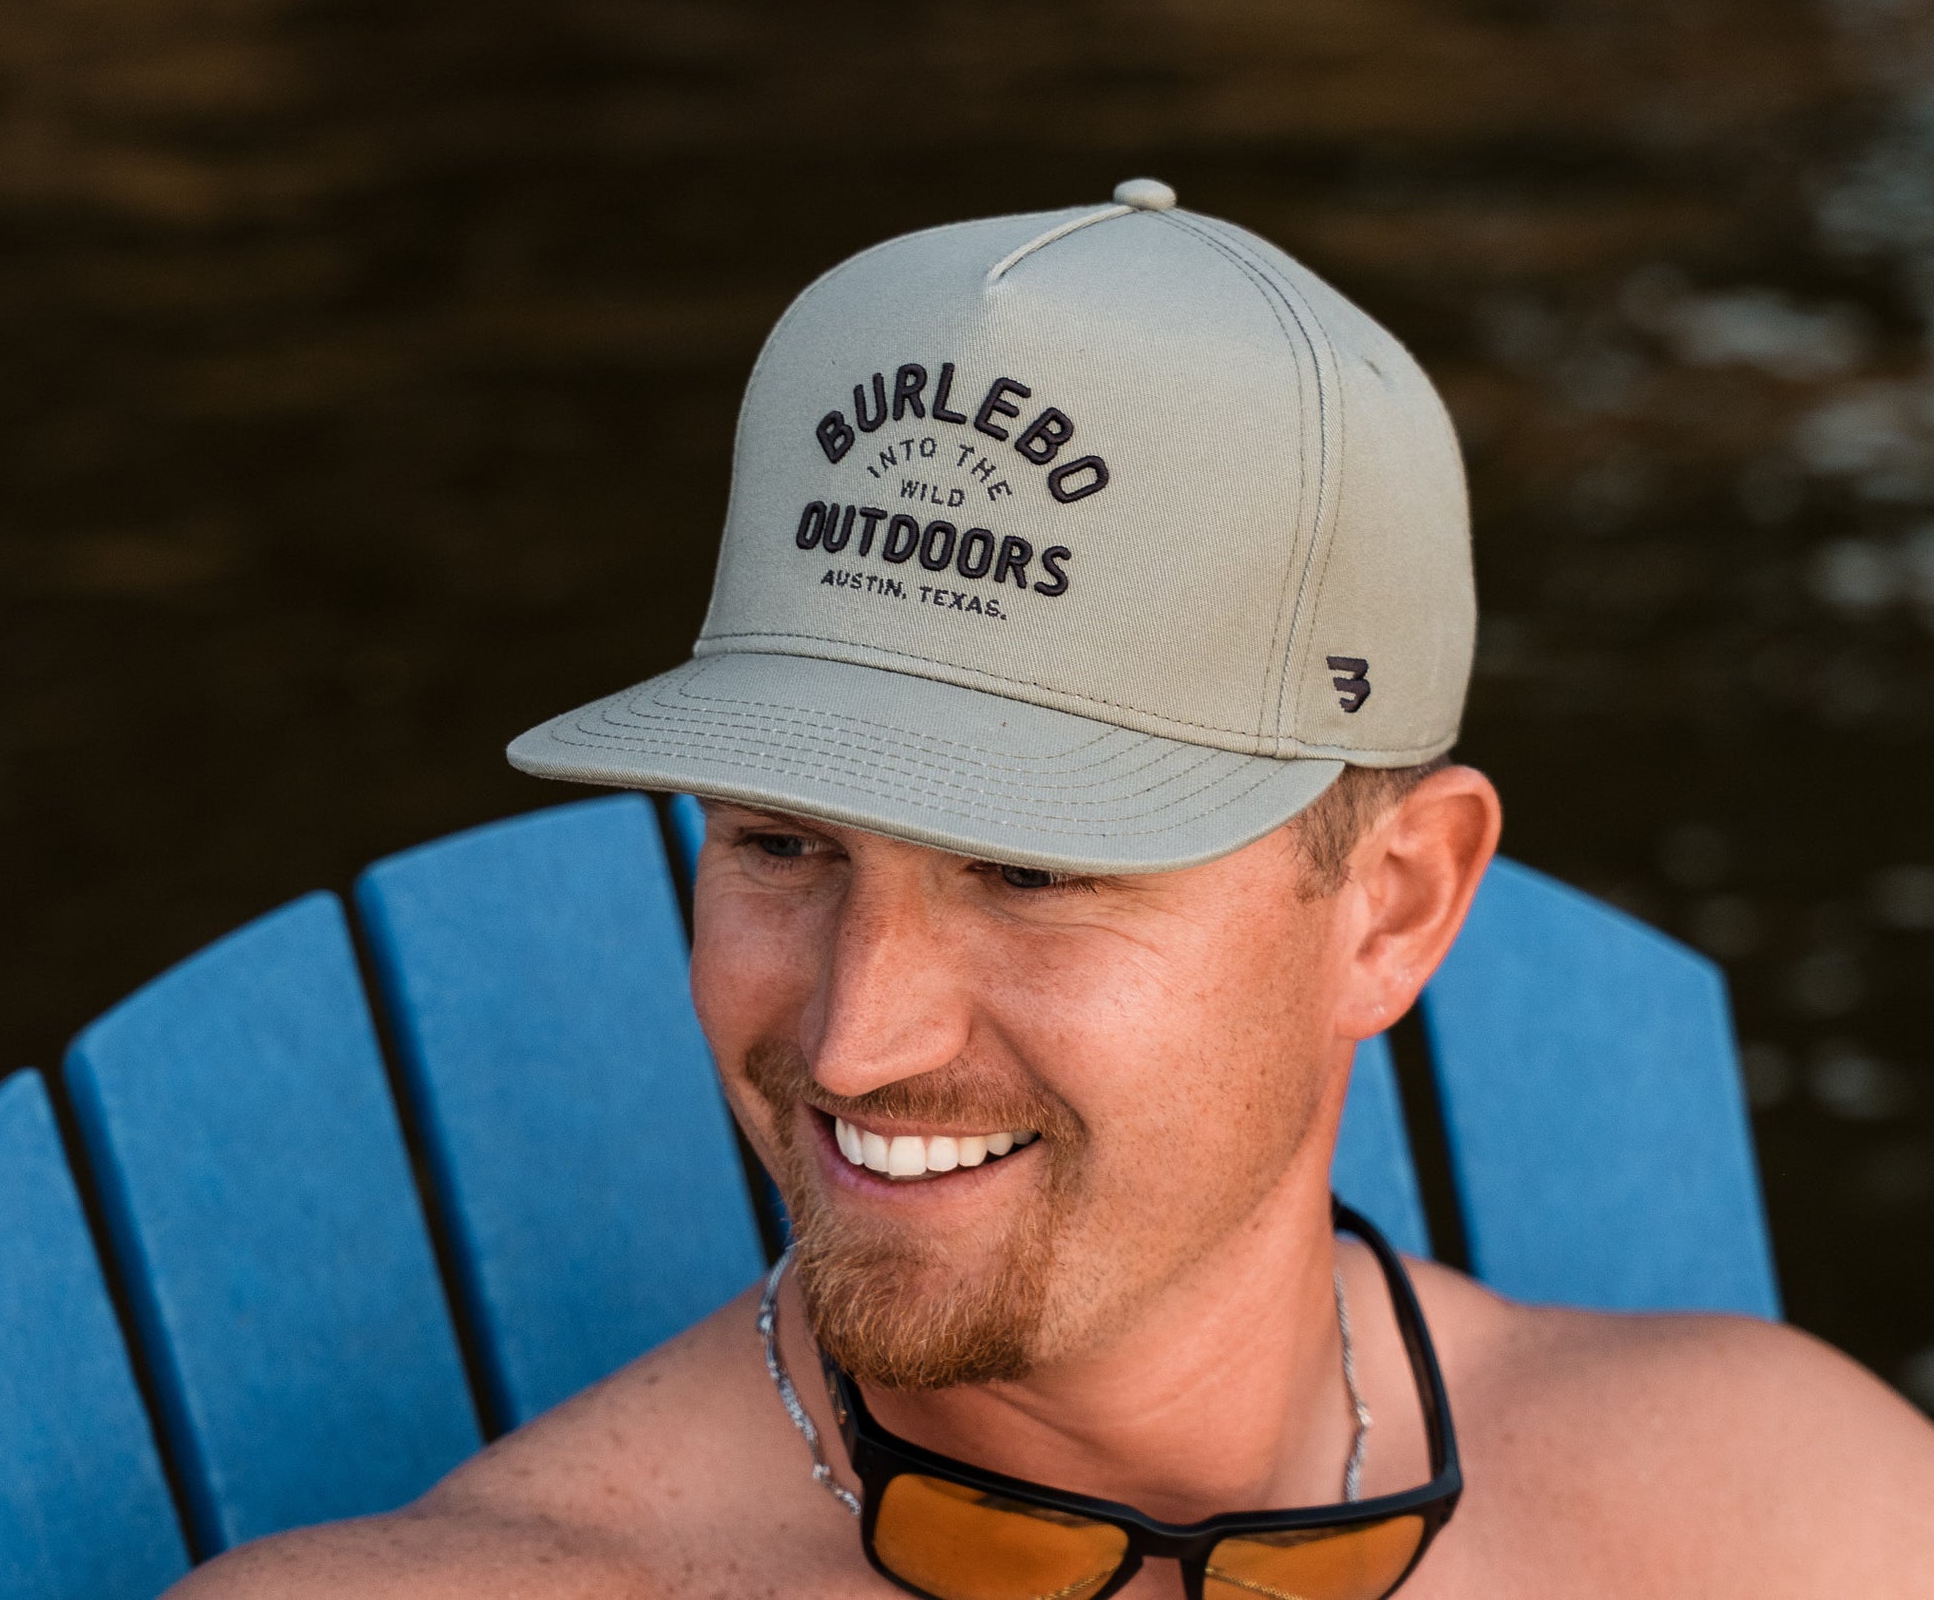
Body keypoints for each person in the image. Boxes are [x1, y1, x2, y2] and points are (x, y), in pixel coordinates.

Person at [176, 182, 1934, 1599]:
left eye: (1029, 869)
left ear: (1391, 904)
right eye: (780, 843)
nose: (854, 1040)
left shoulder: (1794, 1525)